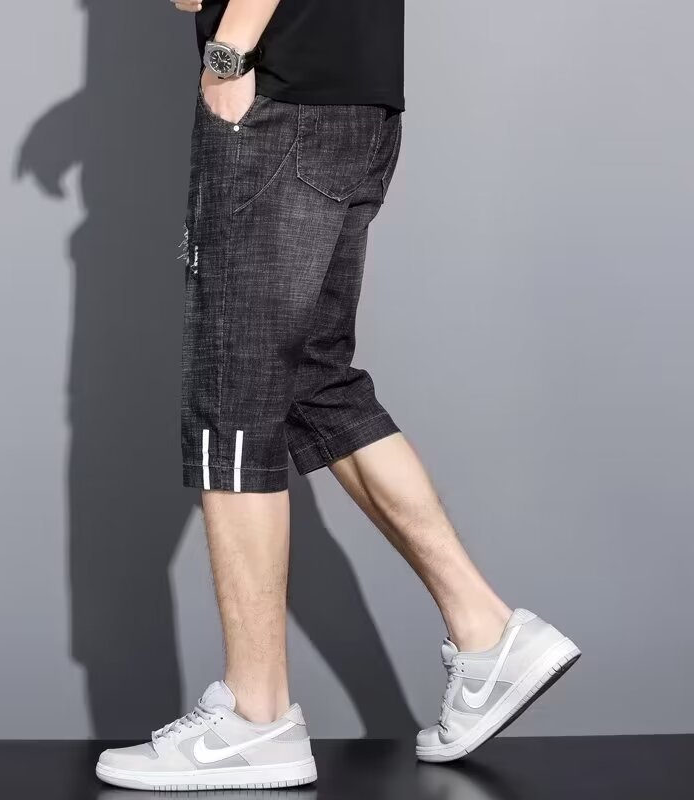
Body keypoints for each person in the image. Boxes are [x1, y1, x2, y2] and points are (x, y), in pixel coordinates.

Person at [95, 0, 580, 790]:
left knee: (235, 400)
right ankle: (488, 633)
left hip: (277, 99)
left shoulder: (250, 71)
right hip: (357, 103)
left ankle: (256, 717)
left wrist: (228, 53)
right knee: (315, 381)